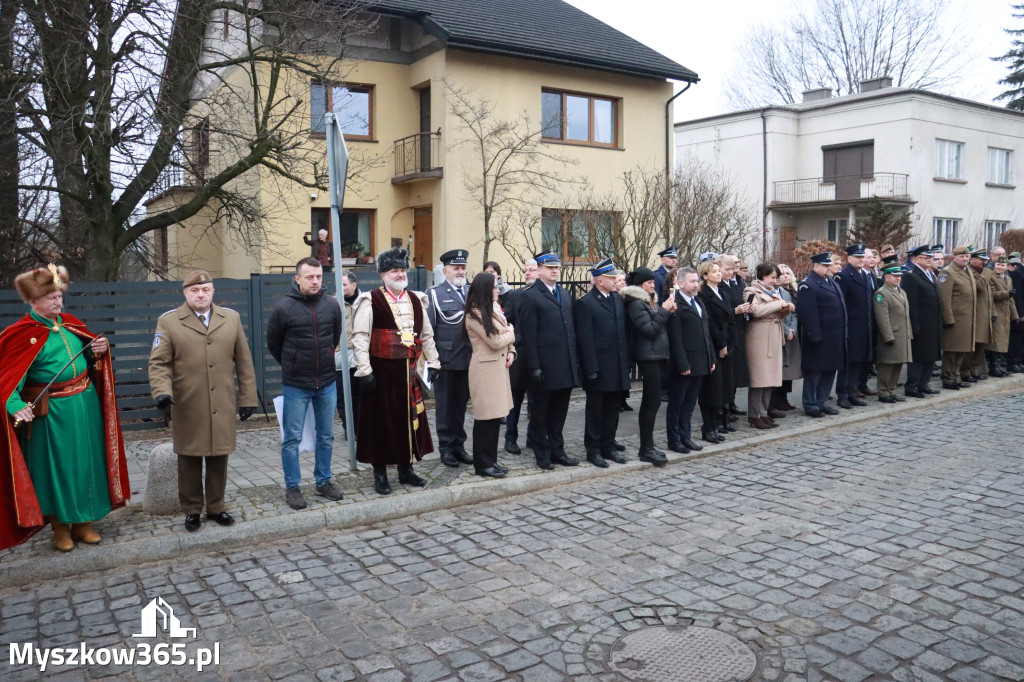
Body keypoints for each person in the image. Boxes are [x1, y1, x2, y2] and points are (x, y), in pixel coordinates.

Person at [1, 265, 129, 551]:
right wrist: (15, 404)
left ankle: (83, 524)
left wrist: (98, 351)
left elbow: (90, 360)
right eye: (51, 298)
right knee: (58, 471)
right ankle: (60, 529)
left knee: (87, 464)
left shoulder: (71, 323)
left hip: (85, 406)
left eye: (59, 296)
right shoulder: (21, 334)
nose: (58, 302)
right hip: (52, 415)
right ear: (34, 301)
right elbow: (6, 378)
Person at [148, 271, 257, 532]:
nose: (201, 295)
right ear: (185, 293)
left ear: (213, 292)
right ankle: (192, 510)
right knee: (189, 458)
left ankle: (217, 507)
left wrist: (248, 397)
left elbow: (244, 361)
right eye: (195, 290)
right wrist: (161, 391)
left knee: (219, 456)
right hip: (188, 402)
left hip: (222, 401)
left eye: (205, 290)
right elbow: (159, 363)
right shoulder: (169, 321)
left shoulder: (230, 318)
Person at [352, 247, 441, 494]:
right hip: (381, 374)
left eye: (402, 270)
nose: (400, 274)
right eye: (394, 271)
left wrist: (434, 362)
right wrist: (364, 370)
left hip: (409, 373)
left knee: (409, 421)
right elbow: (360, 337)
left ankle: (406, 469)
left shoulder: (416, 299)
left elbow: (426, 335)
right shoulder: (371, 300)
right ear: (383, 274)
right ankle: (380, 473)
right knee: (380, 423)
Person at [267, 257, 343, 510]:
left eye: (319, 276)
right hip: (296, 384)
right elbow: (274, 344)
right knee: (292, 439)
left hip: (327, 382)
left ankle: (323, 481)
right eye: (309, 277)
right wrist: (293, 364)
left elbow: (334, 337)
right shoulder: (283, 308)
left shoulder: (331, 305)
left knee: (326, 435)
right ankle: (293, 487)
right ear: (297, 279)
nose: (315, 281)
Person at [517, 249, 580, 470]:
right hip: (544, 366)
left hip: (564, 365)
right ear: (540, 269)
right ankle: (542, 453)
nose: (555, 271)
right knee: (540, 414)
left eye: (557, 267)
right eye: (550, 267)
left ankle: (557, 450)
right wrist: (534, 366)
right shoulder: (530, 296)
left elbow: (570, 331)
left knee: (559, 413)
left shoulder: (563, 293)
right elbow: (528, 335)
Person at [574, 259, 631, 468]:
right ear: (599, 281)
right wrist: (591, 369)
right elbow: (585, 340)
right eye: (611, 277)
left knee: (612, 410)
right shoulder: (586, 303)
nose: (616, 280)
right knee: (595, 411)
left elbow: (622, 334)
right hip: (598, 368)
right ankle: (593, 449)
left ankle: (608, 445)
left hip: (617, 365)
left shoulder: (617, 299)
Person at [464, 273, 516, 478]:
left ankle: (491, 460)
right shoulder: (474, 314)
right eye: (494, 287)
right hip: (485, 371)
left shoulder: (492, 309)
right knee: (485, 418)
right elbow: (495, 341)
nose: (498, 290)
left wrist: (512, 351)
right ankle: (482, 464)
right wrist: (512, 333)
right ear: (485, 289)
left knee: (495, 418)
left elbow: (504, 340)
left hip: (498, 369)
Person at [426, 249, 473, 468]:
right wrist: (432, 361)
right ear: (445, 271)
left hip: (468, 360)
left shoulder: (472, 292)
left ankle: (459, 445)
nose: (460, 271)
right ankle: (446, 448)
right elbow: (428, 330)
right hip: (445, 361)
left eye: (463, 268)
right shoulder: (434, 294)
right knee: (445, 408)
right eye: (456, 268)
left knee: (461, 406)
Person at [622, 267, 674, 464]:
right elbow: (650, 329)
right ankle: (646, 447)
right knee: (651, 402)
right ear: (639, 285)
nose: (653, 285)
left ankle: (649, 445)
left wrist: (666, 312)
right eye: (649, 283)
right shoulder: (636, 304)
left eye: (653, 282)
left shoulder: (648, 302)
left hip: (656, 355)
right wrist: (665, 311)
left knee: (654, 401)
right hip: (648, 356)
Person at [666, 266, 715, 455]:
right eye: (692, 281)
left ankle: (685, 437)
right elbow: (675, 338)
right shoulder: (675, 304)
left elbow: (706, 333)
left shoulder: (698, 302)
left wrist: (711, 357)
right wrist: (682, 364)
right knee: (677, 404)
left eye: (697, 281)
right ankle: (674, 439)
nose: (696, 284)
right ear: (680, 283)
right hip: (685, 363)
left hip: (700, 361)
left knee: (689, 404)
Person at [743, 263, 795, 429]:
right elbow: (756, 311)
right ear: (763, 276)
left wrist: (786, 307)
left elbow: (776, 312)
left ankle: (764, 412)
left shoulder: (774, 292)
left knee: (770, 377)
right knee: (759, 378)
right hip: (759, 336)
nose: (774, 280)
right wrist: (779, 304)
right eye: (772, 277)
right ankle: (754, 414)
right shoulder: (751, 291)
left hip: (773, 334)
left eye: (776, 277)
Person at [798, 253, 847, 417]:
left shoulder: (831, 281)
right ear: (816, 266)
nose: (828, 268)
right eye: (825, 266)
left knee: (829, 370)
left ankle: (821, 401)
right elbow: (806, 313)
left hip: (834, 336)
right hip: (819, 337)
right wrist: (814, 335)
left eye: (829, 266)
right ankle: (810, 404)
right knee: (814, 372)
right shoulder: (808, 284)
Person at [833, 244, 875, 409]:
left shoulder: (864, 275)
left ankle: (852, 392)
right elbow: (841, 304)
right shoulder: (843, 276)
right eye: (857, 257)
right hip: (850, 327)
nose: (860, 260)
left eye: (862, 257)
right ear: (849, 258)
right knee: (848, 364)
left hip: (864, 327)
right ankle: (842, 395)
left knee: (858, 362)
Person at [503, 258, 538, 453]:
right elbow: (507, 322)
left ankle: (533, 437)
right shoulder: (515, 295)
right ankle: (510, 438)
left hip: (538, 356)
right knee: (514, 401)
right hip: (519, 355)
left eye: (532, 270)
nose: (528, 273)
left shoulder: (544, 295)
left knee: (536, 400)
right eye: (526, 270)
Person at [696, 260, 733, 442]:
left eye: (719, 271)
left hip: (726, 344)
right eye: (714, 271)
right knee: (712, 389)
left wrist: (729, 343)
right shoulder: (703, 294)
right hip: (713, 346)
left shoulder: (723, 293)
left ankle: (720, 422)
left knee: (724, 387)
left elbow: (729, 320)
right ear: (705, 275)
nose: (719, 273)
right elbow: (710, 323)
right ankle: (709, 426)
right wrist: (721, 344)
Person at [901, 245, 942, 398]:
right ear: (917, 259)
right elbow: (910, 303)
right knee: (918, 357)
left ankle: (923, 383)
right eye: (926, 258)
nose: (929, 260)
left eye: (930, 258)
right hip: (921, 324)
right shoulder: (911, 276)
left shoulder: (930, 274)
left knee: (930, 355)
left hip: (932, 323)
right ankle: (912, 386)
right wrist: (914, 325)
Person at [937, 245, 977, 390]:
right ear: (954, 258)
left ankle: (955, 377)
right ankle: (948, 379)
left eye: (967, 256)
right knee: (951, 351)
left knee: (962, 350)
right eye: (961, 256)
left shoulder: (967, 270)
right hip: (955, 320)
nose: (965, 259)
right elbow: (944, 299)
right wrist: (948, 319)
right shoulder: (948, 272)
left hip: (966, 320)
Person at [873, 262, 913, 403]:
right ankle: (883, 392)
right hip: (891, 335)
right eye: (895, 276)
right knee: (887, 364)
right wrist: (888, 336)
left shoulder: (902, 292)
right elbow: (882, 318)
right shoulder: (881, 293)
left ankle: (891, 389)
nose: (898, 278)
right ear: (887, 277)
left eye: (899, 276)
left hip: (902, 334)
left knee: (898, 363)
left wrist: (909, 333)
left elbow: (906, 316)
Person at [718, 254, 749, 418]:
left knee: (735, 371)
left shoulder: (735, 284)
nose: (730, 272)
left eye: (732, 269)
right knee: (726, 373)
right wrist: (735, 311)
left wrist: (746, 310)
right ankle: (724, 406)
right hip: (726, 332)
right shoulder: (719, 286)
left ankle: (731, 402)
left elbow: (739, 303)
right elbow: (719, 311)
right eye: (727, 269)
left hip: (737, 330)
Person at [771, 264, 801, 412]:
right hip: (779, 332)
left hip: (791, 333)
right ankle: (777, 400)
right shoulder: (772, 292)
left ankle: (784, 398)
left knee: (790, 368)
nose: (784, 276)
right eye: (781, 273)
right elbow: (774, 316)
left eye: (787, 273)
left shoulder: (790, 292)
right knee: (780, 369)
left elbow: (794, 312)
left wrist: (792, 328)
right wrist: (787, 330)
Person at [336, 270, 361, 429]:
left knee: (361, 396)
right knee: (343, 396)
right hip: (340, 358)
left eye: (344, 284)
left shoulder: (366, 301)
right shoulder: (333, 303)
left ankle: (360, 427)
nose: (341, 287)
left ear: (354, 285)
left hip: (362, 358)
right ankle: (348, 427)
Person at [964, 249, 993, 382]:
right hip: (975, 314)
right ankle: (966, 371)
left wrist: (993, 312)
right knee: (973, 345)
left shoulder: (982, 272)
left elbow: (989, 295)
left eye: (985, 260)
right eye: (981, 260)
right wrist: (987, 271)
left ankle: (974, 369)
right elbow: (979, 287)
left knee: (980, 344)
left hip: (984, 313)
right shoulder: (970, 272)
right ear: (973, 259)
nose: (984, 263)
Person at [987, 256, 1018, 376]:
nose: (999, 267)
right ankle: (993, 366)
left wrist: (1015, 315)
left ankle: (998, 365)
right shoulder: (991, 276)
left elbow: (1011, 299)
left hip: (1005, 313)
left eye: (1002, 265)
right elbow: (991, 294)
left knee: (1003, 340)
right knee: (996, 340)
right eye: (998, 265)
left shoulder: (1008, 279)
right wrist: (1007, 293)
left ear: (1006, 267)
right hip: (996, 311)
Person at [1008, 254, 1024, 372]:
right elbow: (1018, 296)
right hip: (1020, 310)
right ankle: (1013, 362)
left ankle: (1019, 361)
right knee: (1017, 338)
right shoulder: (1018, 272)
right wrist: (1020, 313)